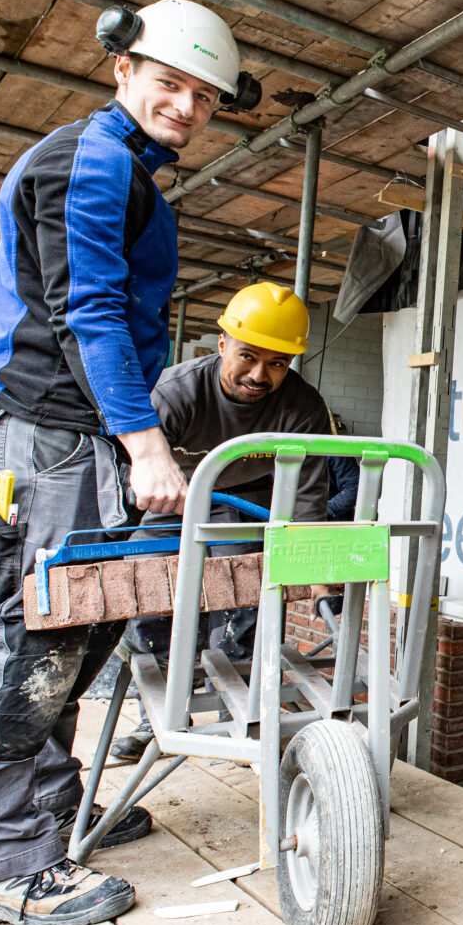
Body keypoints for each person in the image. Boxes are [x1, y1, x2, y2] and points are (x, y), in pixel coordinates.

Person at [0, 0, 253, 925]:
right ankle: (1, 861)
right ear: (122, 70)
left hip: (64, 426)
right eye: (170, 84)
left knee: (79, 616)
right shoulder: (92, 162)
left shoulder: (127, 169)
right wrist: (145, 443)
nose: (188, 107)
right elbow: (90, 312)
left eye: (205, 96)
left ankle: (46, 802)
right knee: (39, 627)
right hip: (39, 425)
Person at [108, 283, 334, 761]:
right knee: (152, 592)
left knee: (242, 600)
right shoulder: (176, 391)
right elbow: (128, 478)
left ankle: (240, 711)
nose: (259, 375)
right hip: (176, 498)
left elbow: (310, 494)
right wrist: (113, 544)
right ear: (222, 344)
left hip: (247, 500)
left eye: (277, 363)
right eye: (248, 356)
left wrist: (315, 576)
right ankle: (157, 715)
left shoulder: (303, 407)